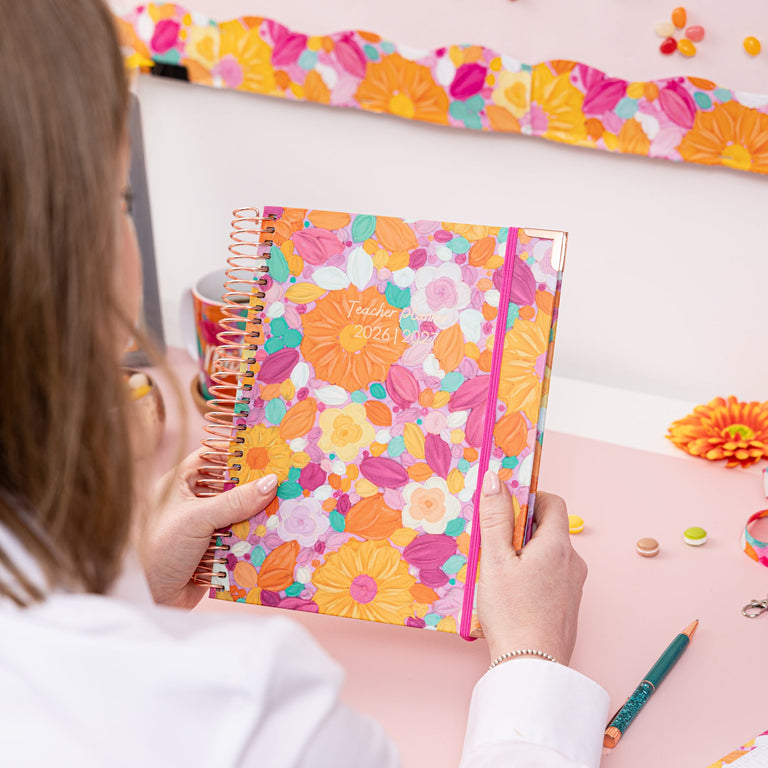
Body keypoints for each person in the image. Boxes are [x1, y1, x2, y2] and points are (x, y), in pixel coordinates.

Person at [0, 0, 608, 765]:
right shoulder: (241, 714)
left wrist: (132, 595)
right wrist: (532, 664)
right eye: (118, 200)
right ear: (61, 254)